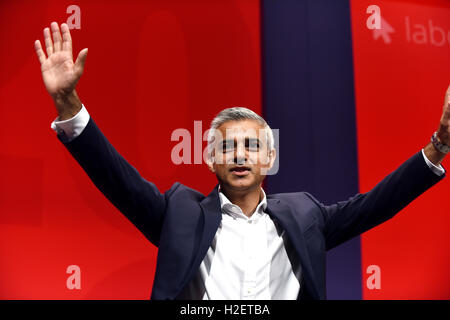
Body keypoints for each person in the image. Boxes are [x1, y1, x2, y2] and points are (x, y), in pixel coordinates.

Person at [34, 22, 448, 300]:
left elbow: (378, 203)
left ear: (270, 157)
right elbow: (116, 178)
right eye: (228, 147)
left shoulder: (306, 213)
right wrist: (69, 103)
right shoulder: (179, 212)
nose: (239, 155)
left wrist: (438, 147)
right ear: (211, 159)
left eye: (251, 146)